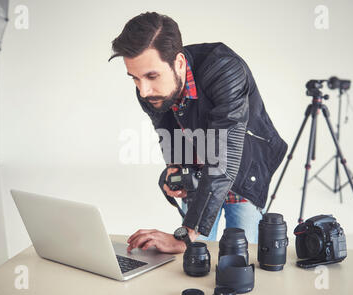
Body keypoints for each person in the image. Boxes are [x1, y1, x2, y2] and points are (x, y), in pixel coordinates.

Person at [109, 12, 287, 254]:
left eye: (152, 76)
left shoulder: (225, 70)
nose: (143, 91)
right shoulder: (150, 92)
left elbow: (224, 158)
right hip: (203, 173)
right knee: (196, 258)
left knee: (239, 257)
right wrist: (175, 170)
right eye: (135, 79)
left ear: (179, 63)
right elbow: (168, 137)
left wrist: (185, 235)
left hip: (243, 169)